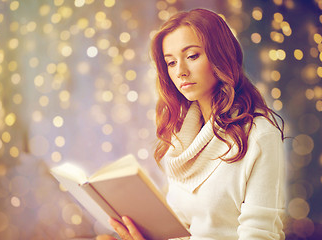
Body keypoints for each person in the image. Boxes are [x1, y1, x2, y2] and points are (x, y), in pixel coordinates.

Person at [98, 8, 286, 240]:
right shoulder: (181, 136)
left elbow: (260, 235)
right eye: (171, 62)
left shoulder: (259, 136)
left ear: (220, 56)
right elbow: (181, 230)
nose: (180, 72)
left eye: (192, 56)